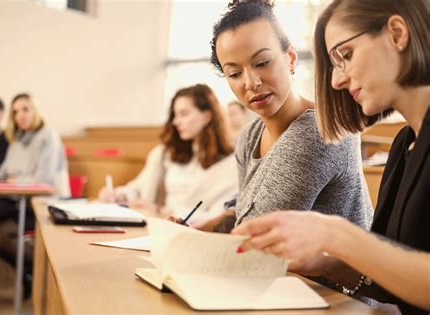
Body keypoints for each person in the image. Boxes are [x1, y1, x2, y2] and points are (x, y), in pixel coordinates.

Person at [233, 0, 430, 313]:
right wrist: (325, 262)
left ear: (396, 33)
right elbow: (389, 282)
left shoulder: (313, 132)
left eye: (346, 56)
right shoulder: (405, 145)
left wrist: (337, 236)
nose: (336, 81)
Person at [175, 0, 373, 235]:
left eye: (262, 63)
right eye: (235, 73)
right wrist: (186, 233)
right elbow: (241, 212)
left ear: (290, 57)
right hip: (273, 269)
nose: (251, 83)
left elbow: (254, 234)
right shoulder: (250, 135)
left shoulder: (320, 130)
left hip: (318, 273)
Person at [99, 84, 237, 224]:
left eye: (183, 114)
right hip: (160, 225)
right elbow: (139, 188)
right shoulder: (167, 154)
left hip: (197, 231)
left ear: (207, 116)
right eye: (175, 115)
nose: (176, 122)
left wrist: (165, 211)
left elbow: (220, 215)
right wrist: (120, 195)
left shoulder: (230, 163)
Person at [0, 93, 70, 298]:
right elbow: (5, 171)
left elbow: (43, 180)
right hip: (20, 202)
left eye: (25, 109)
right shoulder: (17, 138)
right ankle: (28, 271)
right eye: (15, 112)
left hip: (46, 205)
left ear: (35, 111)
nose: (20, 115)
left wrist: (14, 180)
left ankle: (38, 268)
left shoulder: (48, 135)